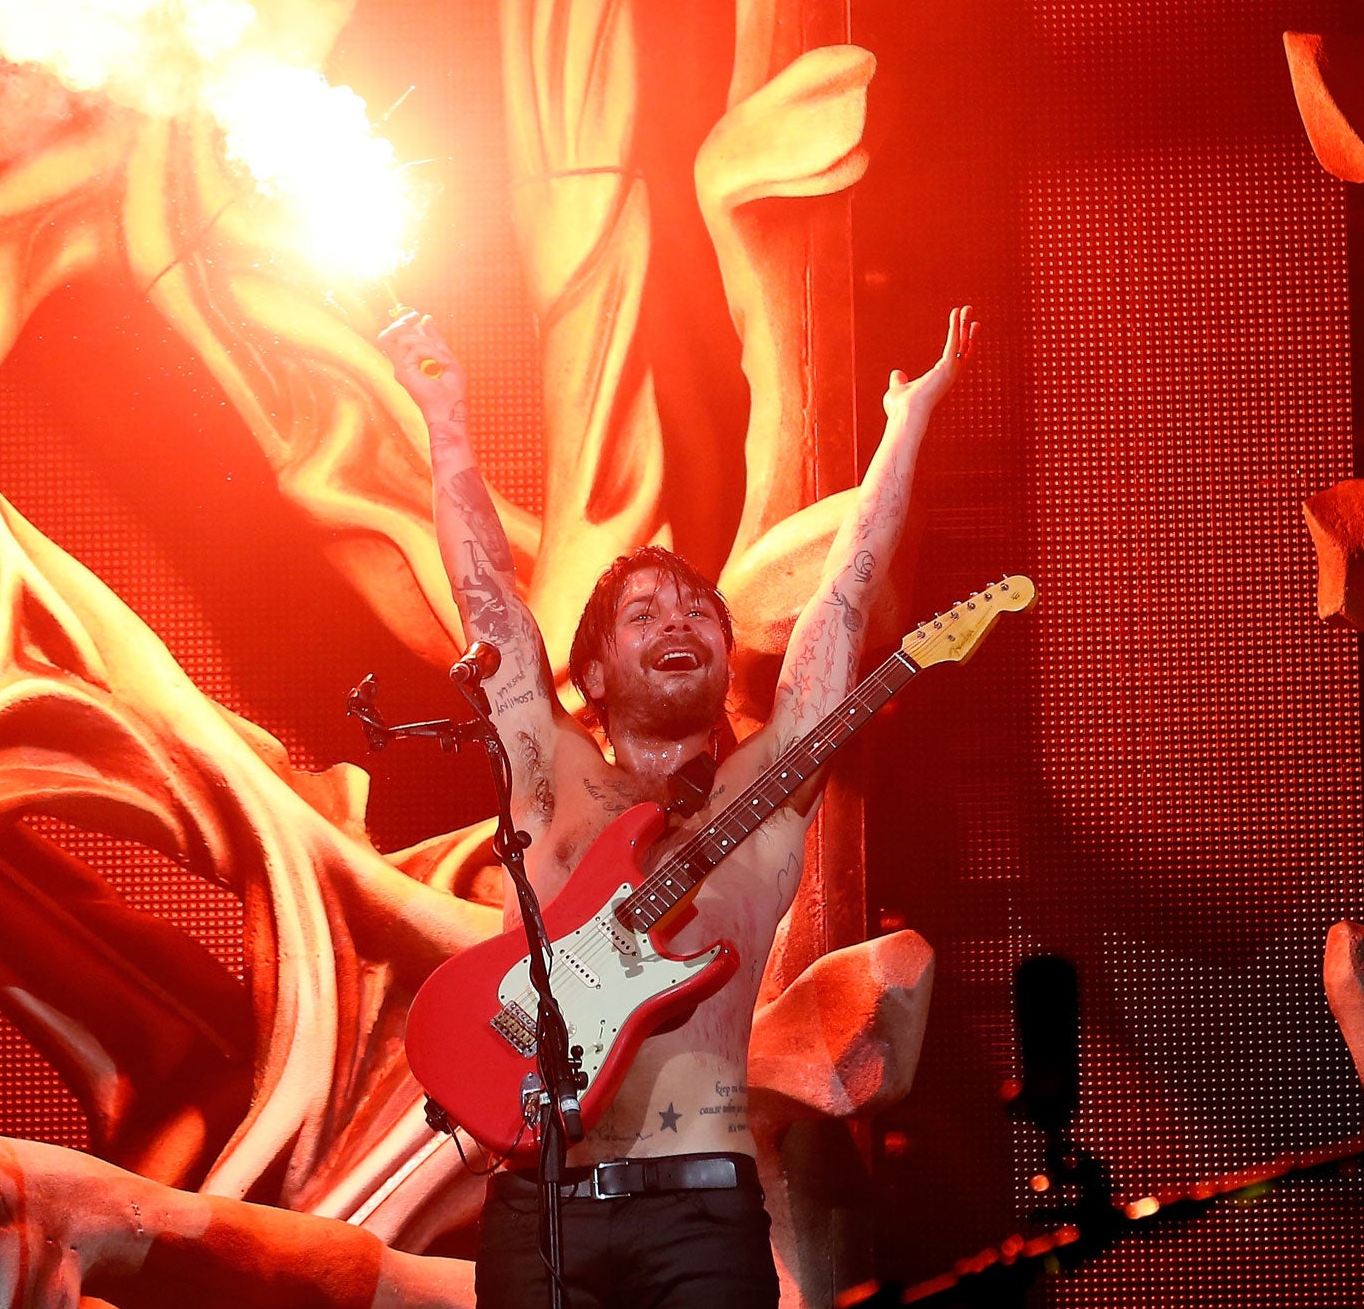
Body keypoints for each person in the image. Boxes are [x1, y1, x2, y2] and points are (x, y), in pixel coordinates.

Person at [381, 306, 976, 1309]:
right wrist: (444, 417)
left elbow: (839, 598)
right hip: (540, 1209)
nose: (679, 620)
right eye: (644, 614)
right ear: (595, 675)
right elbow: (483, 598)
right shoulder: (548, 773)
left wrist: (904, 425)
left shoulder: (769, 787)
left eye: (697, 609)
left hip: (700, 1213)